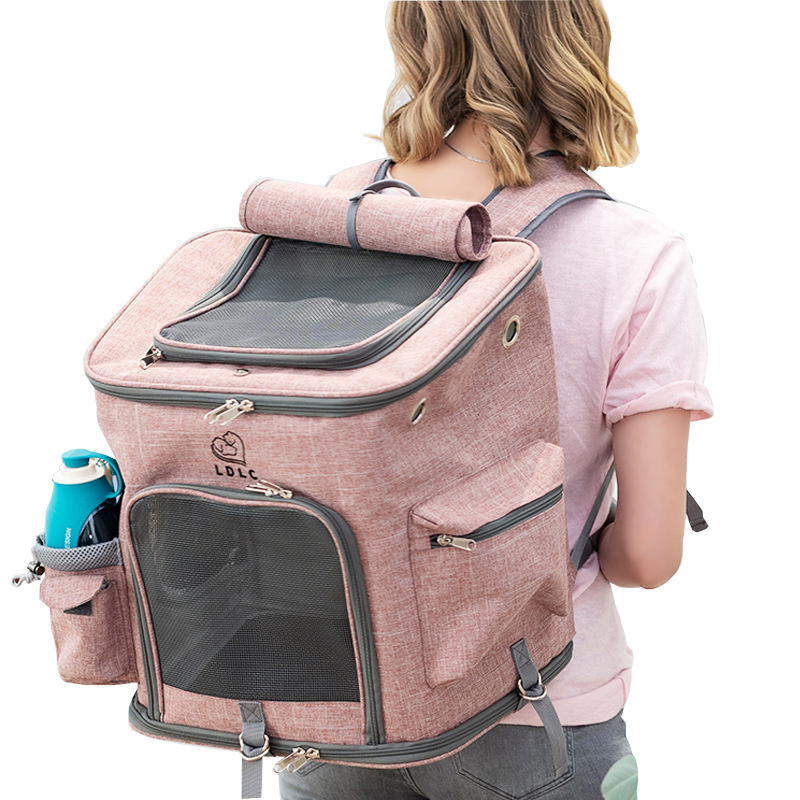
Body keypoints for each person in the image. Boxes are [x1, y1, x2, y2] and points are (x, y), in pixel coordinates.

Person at [279, 1, 713, 798]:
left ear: (421, 34)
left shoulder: (339, 207)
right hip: (537, 704)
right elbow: (650, 557)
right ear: (580, 39)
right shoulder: (637, 255)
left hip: (345, 691)